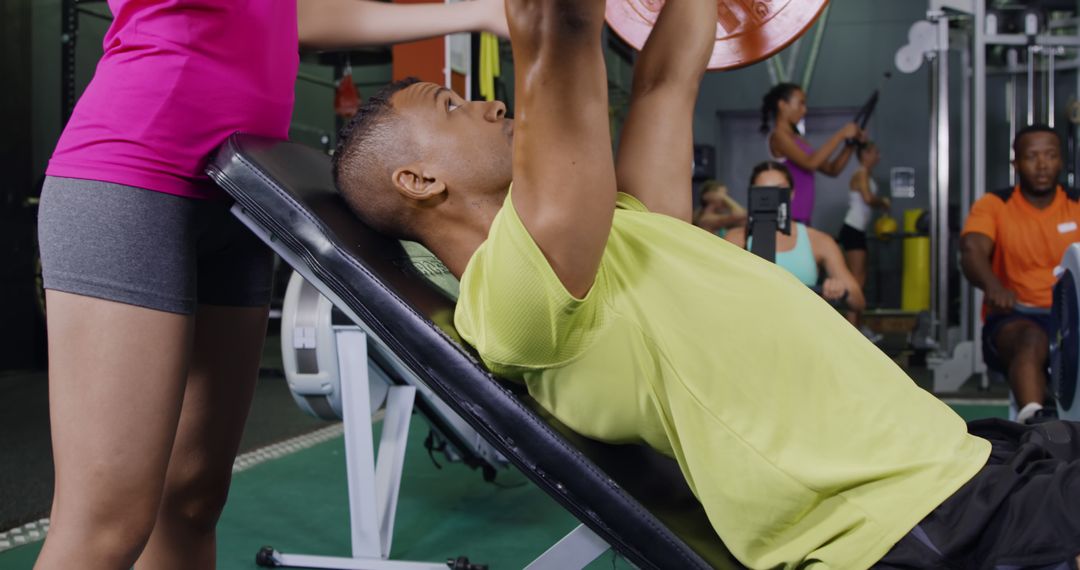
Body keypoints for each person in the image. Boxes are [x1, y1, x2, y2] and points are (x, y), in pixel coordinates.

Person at [333, 0, 1080, 567]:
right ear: (419, 179)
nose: (493, 103)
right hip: (909, 526)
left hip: (967, 462)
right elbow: (560, 31)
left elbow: (661, 81)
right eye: (453, 105)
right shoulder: (515, 299)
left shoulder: (610, 227)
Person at [34, 1, 507, 568]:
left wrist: (484, 12)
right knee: (108, 522)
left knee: (193, 500)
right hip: (135, 172)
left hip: (244, 190)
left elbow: (292, 16)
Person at [961, 124, 1080, 425]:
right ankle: (1035, 423)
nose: (1042, 165)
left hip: (1073, 315)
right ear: (1016, 164)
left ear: (1061, 161)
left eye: (1050, 156)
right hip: (1016, 315)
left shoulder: (1075, 204)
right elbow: (972, 249)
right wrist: (993, 286)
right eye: (1032, 157)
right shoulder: (995, 204)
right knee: (1030, 339)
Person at [723, 162, 866, 313]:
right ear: (753, 194)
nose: (772, 198)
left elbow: (859, 301)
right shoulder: (736, 239)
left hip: (801, 330)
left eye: (779, 190)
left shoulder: (818, 241)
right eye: (764, 191)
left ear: (791, 193)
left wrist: (840, 291)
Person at [761, 82, 864, 225]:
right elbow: (810, 163)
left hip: (803, 216)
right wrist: (841, 134)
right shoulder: (778, 135)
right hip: (786, 217)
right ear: (782, 105)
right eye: (800, 104)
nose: (804, 110)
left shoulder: (798, 139)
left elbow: (832, 169)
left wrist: (851, 143)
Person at [841, 141, 891, 340]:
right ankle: (852, 333)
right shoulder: (861, 173)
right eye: (875, 152)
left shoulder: (865, 174)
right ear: (865, 154)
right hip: (852, 229)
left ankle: (858, 328)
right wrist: (883, 202)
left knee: (861, 280)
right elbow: (868, 199)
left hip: (858, 230)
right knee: (856, 282)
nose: (878, 156)